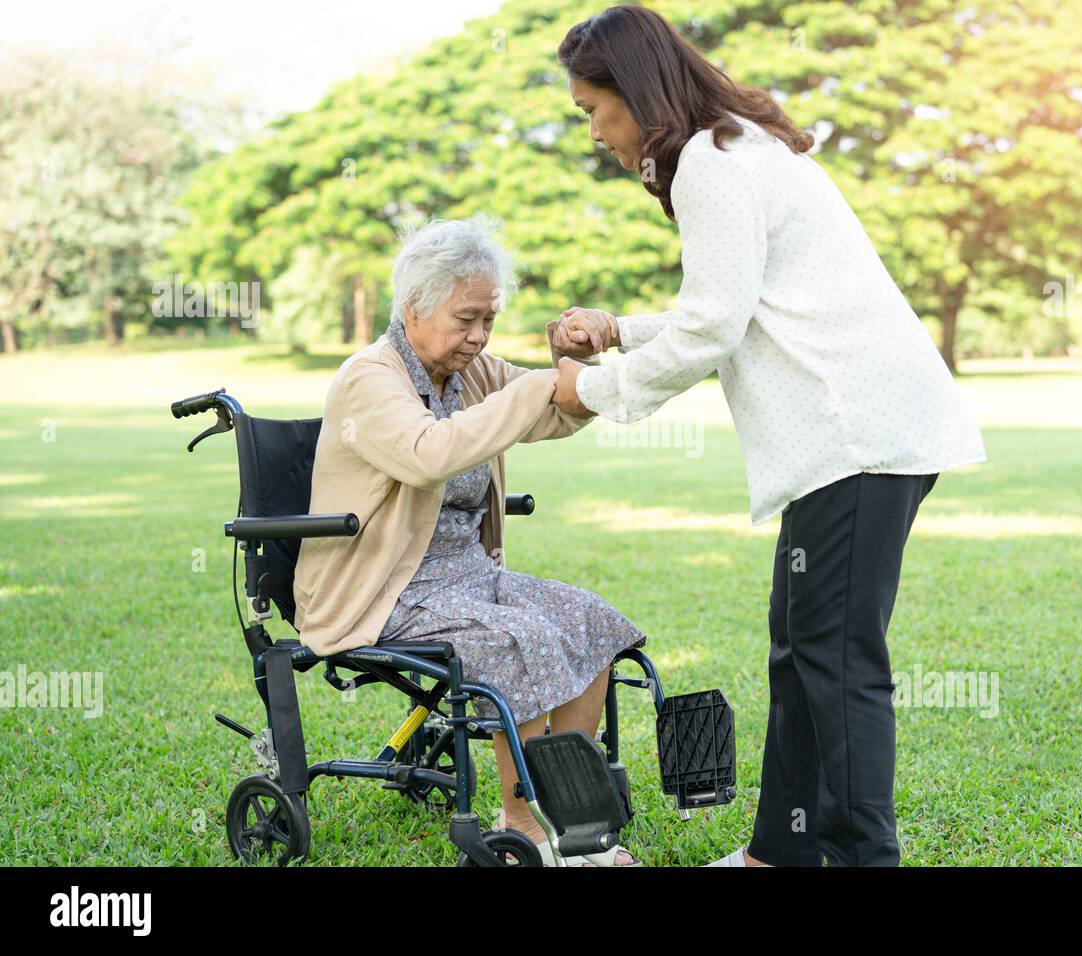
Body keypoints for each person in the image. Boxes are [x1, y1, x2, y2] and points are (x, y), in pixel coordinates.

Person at [549, 6, 987, 867]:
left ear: (635, 92)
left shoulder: (712, 164)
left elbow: (714, 330)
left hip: (854, 433)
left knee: (838, 662)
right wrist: (618, 331)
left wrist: (591, 390)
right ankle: (777, 854)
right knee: (801, 651)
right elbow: (734, 305)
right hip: (849, 436)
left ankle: (866, 858)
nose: (594, 132)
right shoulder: (732, 147)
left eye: (593, 109)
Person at [293, 215, 645, 866]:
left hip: (468, 574)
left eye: (489, 318)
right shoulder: (370, 378)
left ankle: (578, 825)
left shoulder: (470, 375)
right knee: (525, 639)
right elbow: (429, 454)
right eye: (467, 319)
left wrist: (576, 363)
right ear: (414, 308)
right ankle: (523, 827)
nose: (480, 336)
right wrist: (540, 385)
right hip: (385, 588)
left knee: (594, 623)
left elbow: (558, 411)